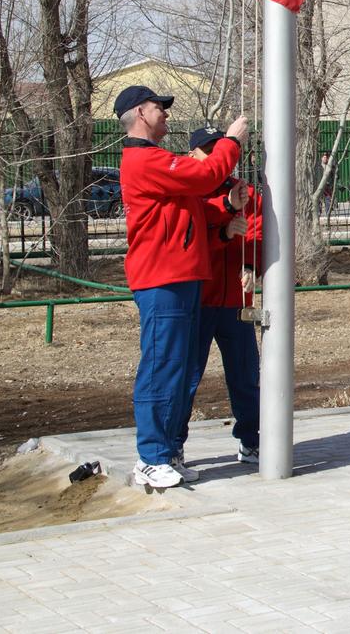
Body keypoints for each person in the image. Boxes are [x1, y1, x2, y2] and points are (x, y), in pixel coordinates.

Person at [116, 86, 247, 488]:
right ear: (141, 113)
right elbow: (207, 174)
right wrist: (231, 141)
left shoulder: (155, 160)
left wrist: (225, 209)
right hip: (164, 278)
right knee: (162, 367)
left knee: (176, 369)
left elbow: (190, 206)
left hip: (182, 276)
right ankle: (151, 457)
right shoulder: (145, 160)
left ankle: (167, 452)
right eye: (161, 108)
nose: (167, 115)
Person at [174, 126, 263, 466]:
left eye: (220, 149)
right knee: (186, 376)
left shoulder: (246, 193)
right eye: (208, 150)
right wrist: (223, 233)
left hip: (236, 302)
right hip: (197, 299)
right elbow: (187, 241)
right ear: (193, 155)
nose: (216, 157)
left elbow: (257, 232)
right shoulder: (187, 192)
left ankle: (251, 440)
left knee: (245, 376)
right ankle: (174, 444)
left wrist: (252, 265)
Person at [319, 152, 336, 219]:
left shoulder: (330, 166)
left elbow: (333, 176)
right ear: (321, 158)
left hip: (327, 185)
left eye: (326, 157)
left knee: (328, 199)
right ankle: (318, 213)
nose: (325, 158)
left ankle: (328, 213)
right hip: (320, 185)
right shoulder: (319, 166)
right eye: (324, 157)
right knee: (319, 200)